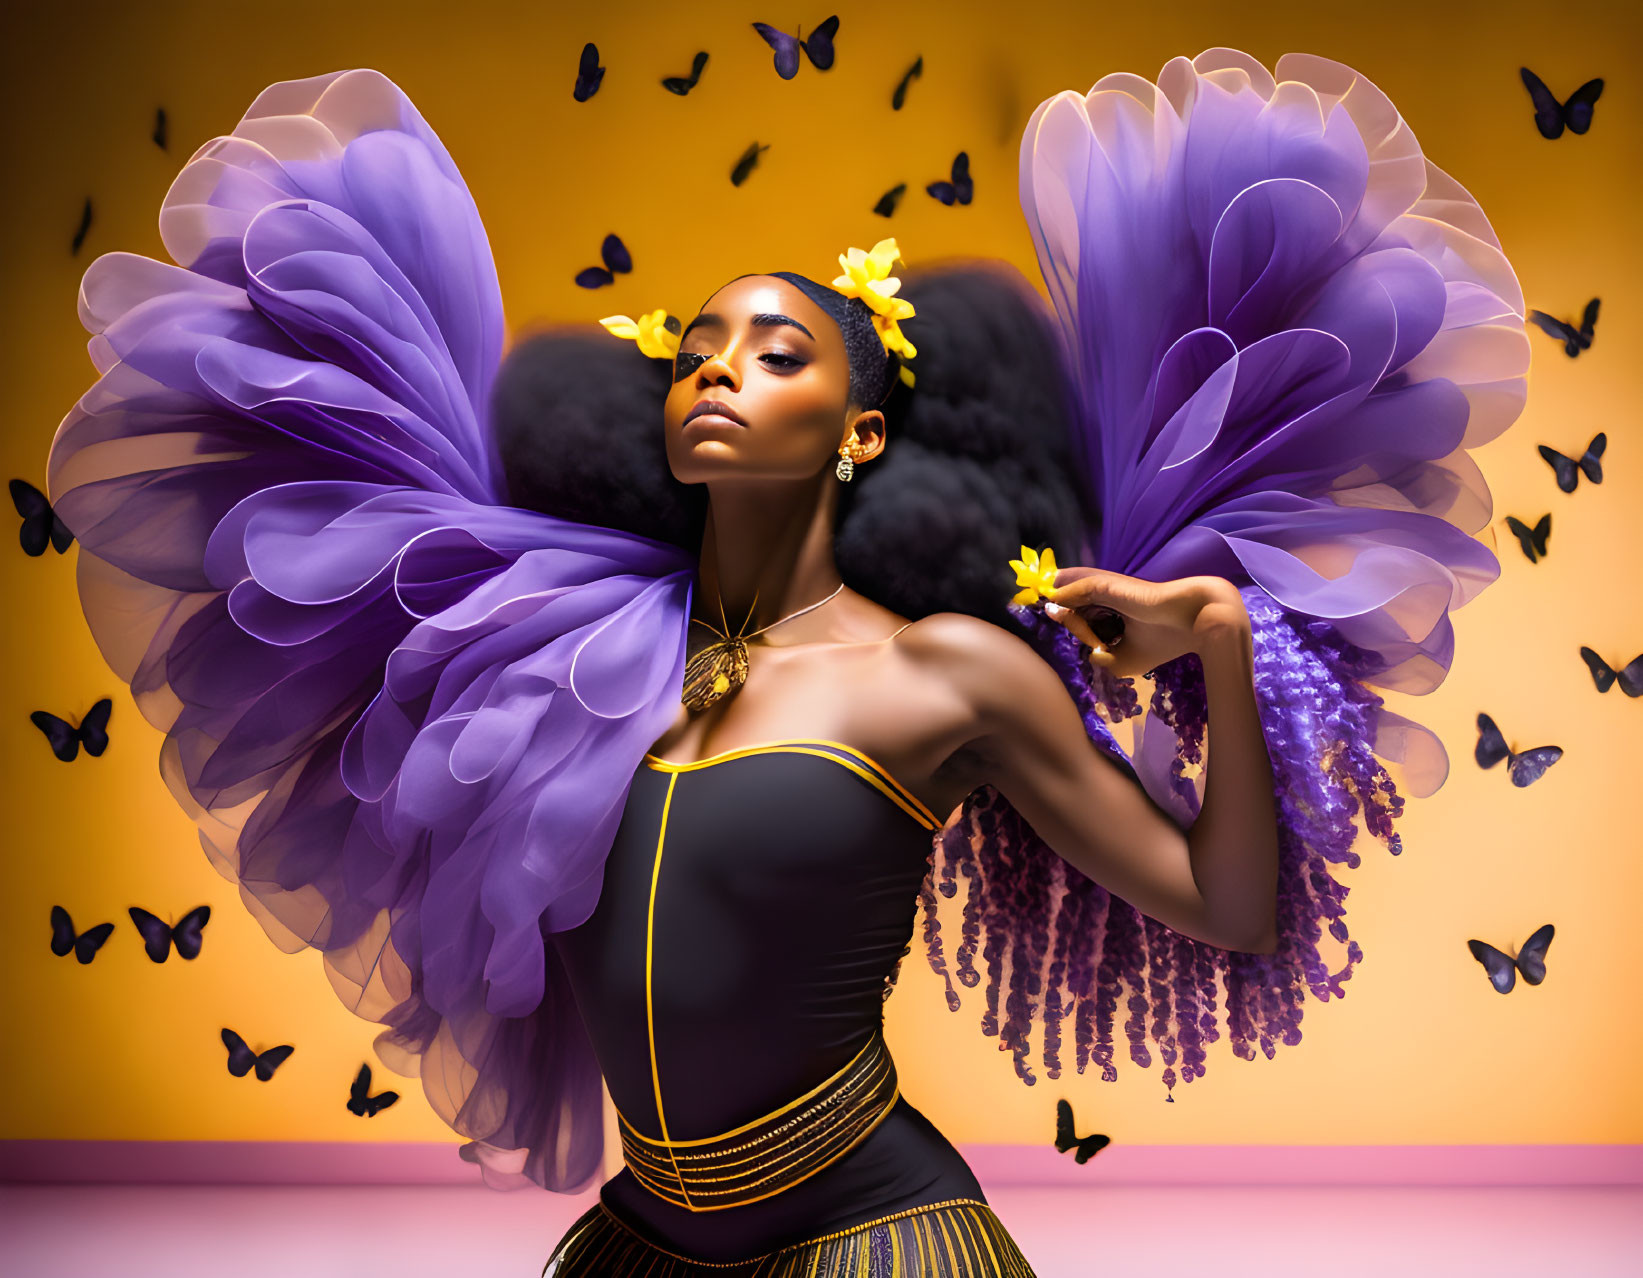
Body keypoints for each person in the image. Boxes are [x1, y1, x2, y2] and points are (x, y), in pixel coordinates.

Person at [45, 50, 1527, 1276]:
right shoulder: (566, 645)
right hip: (639, 1246)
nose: (718, 369)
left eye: (774, 352)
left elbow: (1231, 902)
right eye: (697, 346)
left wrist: (1213, 634)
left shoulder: (947, 671)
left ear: (859, 430)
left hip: (874, 1234)